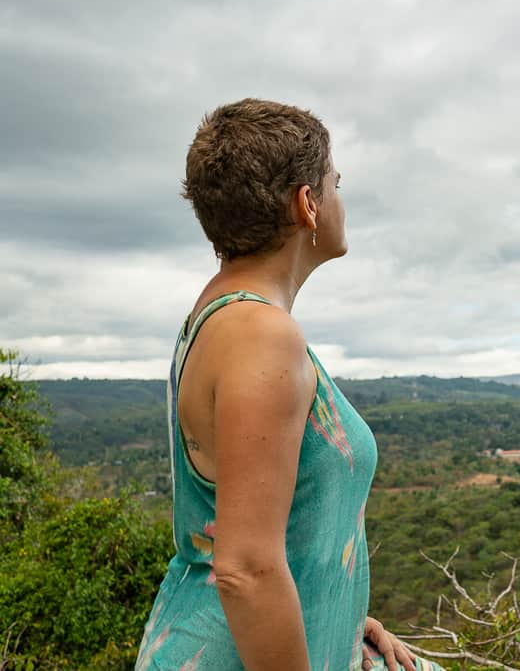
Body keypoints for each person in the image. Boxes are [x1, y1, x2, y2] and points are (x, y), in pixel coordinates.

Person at [135, 99, 438, 671]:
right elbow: (245, 570)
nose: (340, 200)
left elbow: (276, 527)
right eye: (335, 184)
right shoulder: (261, 336)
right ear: (308, 205)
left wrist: (342, 613)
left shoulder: (220, 315)